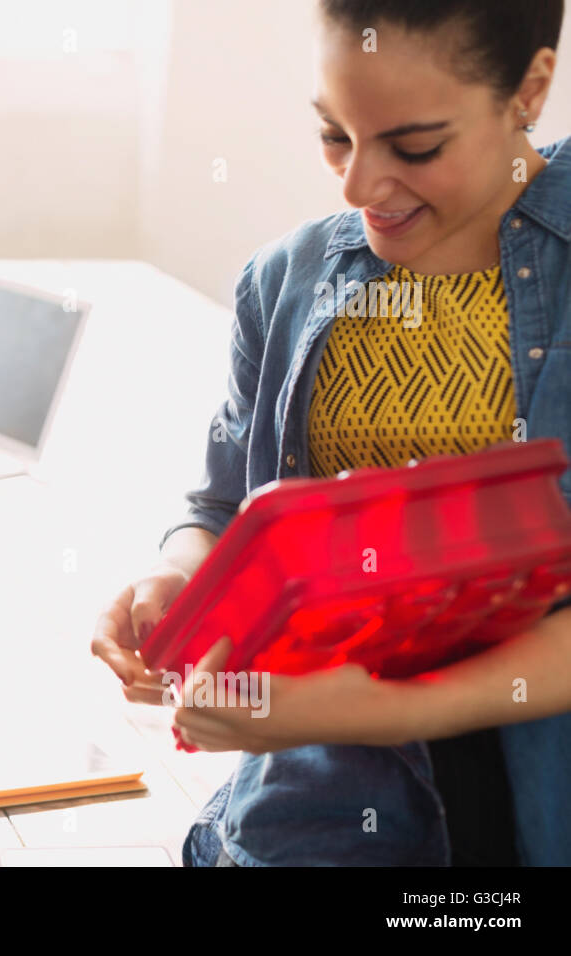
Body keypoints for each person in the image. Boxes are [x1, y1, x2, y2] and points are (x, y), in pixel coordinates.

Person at [92, 0, 571, 866]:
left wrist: (382, 710)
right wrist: (178, 580)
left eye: (415, 147)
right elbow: (225, 503)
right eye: (334, 134)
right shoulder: (288, 277)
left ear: (530, 89)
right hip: (313, 824)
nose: (357, 187)